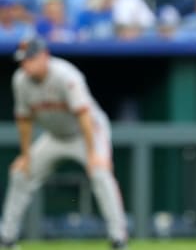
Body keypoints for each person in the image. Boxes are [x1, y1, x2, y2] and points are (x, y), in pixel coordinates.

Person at [0, 36, 128, 250]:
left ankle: (118, 239)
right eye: (23, 60)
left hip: (87, 132)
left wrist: (94, 153)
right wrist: (26, 156)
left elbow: (84, 116)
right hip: (55, 136)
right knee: (20, 174)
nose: (26, 64)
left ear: (44, 56)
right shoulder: (20, 80)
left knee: (100, 174)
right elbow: (24, 120)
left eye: (30, 59)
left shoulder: (66, 75)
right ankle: (7, 238)